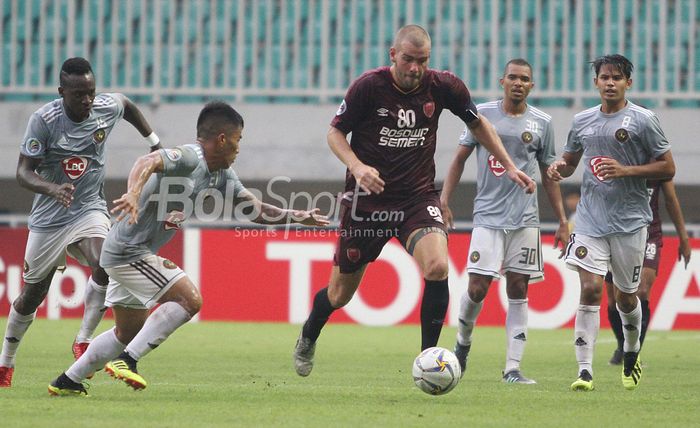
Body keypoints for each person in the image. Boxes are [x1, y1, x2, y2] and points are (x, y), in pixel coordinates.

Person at [293, 25, 535, 377]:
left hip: (417, 198)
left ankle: (429, 363)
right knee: (339, 294)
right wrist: (357, 166)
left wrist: (510, 166)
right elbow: (334, 132)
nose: (414, 68)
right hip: (368, 203)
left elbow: (479, 123)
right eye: (407, 59)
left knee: (437, 267)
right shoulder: (368, 87)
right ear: (393, 55)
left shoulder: (443, 86)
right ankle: (309, 335)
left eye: (422, 61)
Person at [48, 101, 328, 395]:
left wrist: (295, 216)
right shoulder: (190, 157)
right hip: (128, 252)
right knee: (189, 300)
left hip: (130, 253)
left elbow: (254, 210)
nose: (239, 147)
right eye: (238, 139)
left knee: (127, 331)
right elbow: (147, 161)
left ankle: (68, 380)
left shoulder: (221, 174)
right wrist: (132, 192)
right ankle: (127, 360)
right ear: (222, 139)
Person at [0, 57, 161, 388]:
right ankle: (6, 362)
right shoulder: (44, 121)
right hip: (48, 219)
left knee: (106, 263)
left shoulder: (104, 107)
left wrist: (154, 141)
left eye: (91, 91)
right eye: (78, 94)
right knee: (32, 295)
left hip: (88, 208)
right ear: (62, 92)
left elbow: (126, 104)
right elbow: (22, 172)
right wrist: (52, 187)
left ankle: (84, 339)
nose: (87, 100)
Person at [547, 54, 675, 391]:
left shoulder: (644, 120)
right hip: (590, 221)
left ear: (628, 83)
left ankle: (631, 351)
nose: (610, 82)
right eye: (604, 77)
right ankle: (585, 371)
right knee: (589, 289)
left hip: (632, 223)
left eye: (617, 78)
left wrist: (627, 171)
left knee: (626, 299)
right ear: (596, 82)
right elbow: (571, 162)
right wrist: (559, 168)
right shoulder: (582, 121)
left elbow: (668, 169)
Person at [440, 58, 569, 384]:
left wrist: (563, 220)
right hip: (487, 217)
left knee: (518, 288)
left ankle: (512, 368)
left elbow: (549, 175)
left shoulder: (543, 122)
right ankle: (463, 344)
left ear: (531, 85)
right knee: (478, 287)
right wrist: (443, 200)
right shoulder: (481, 115)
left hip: (525, 220)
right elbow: (458, 160)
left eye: (524, 78)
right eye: (512, 77)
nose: (518, 83)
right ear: (502, 81)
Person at [606, 178, 691, 365]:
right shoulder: (619, 154)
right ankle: (622, 345)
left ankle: (634, 351)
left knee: (642, 290)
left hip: (649, 233)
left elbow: (671, 199)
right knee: (614, 300)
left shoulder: (659, 161)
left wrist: (683, 238)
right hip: (617, 231)